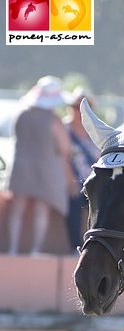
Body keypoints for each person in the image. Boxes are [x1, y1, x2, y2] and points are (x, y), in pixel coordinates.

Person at [6, 75, 75, 255]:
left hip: (21, 166)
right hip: (46, 169)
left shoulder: (21, 114)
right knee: (41, 209)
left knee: (17, 208)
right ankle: (35, 249)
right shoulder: (53, 120)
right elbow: (65, 148)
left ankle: (12, 248)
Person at [62, 87, 100, 252]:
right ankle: (75, 247)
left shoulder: (96, 129)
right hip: (73, 180)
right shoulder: (65, 128)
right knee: (74, 203)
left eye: (83, 107)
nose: (78, 111)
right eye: (75, 106)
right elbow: (62, 157)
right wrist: (70, 180)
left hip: (93, 179)